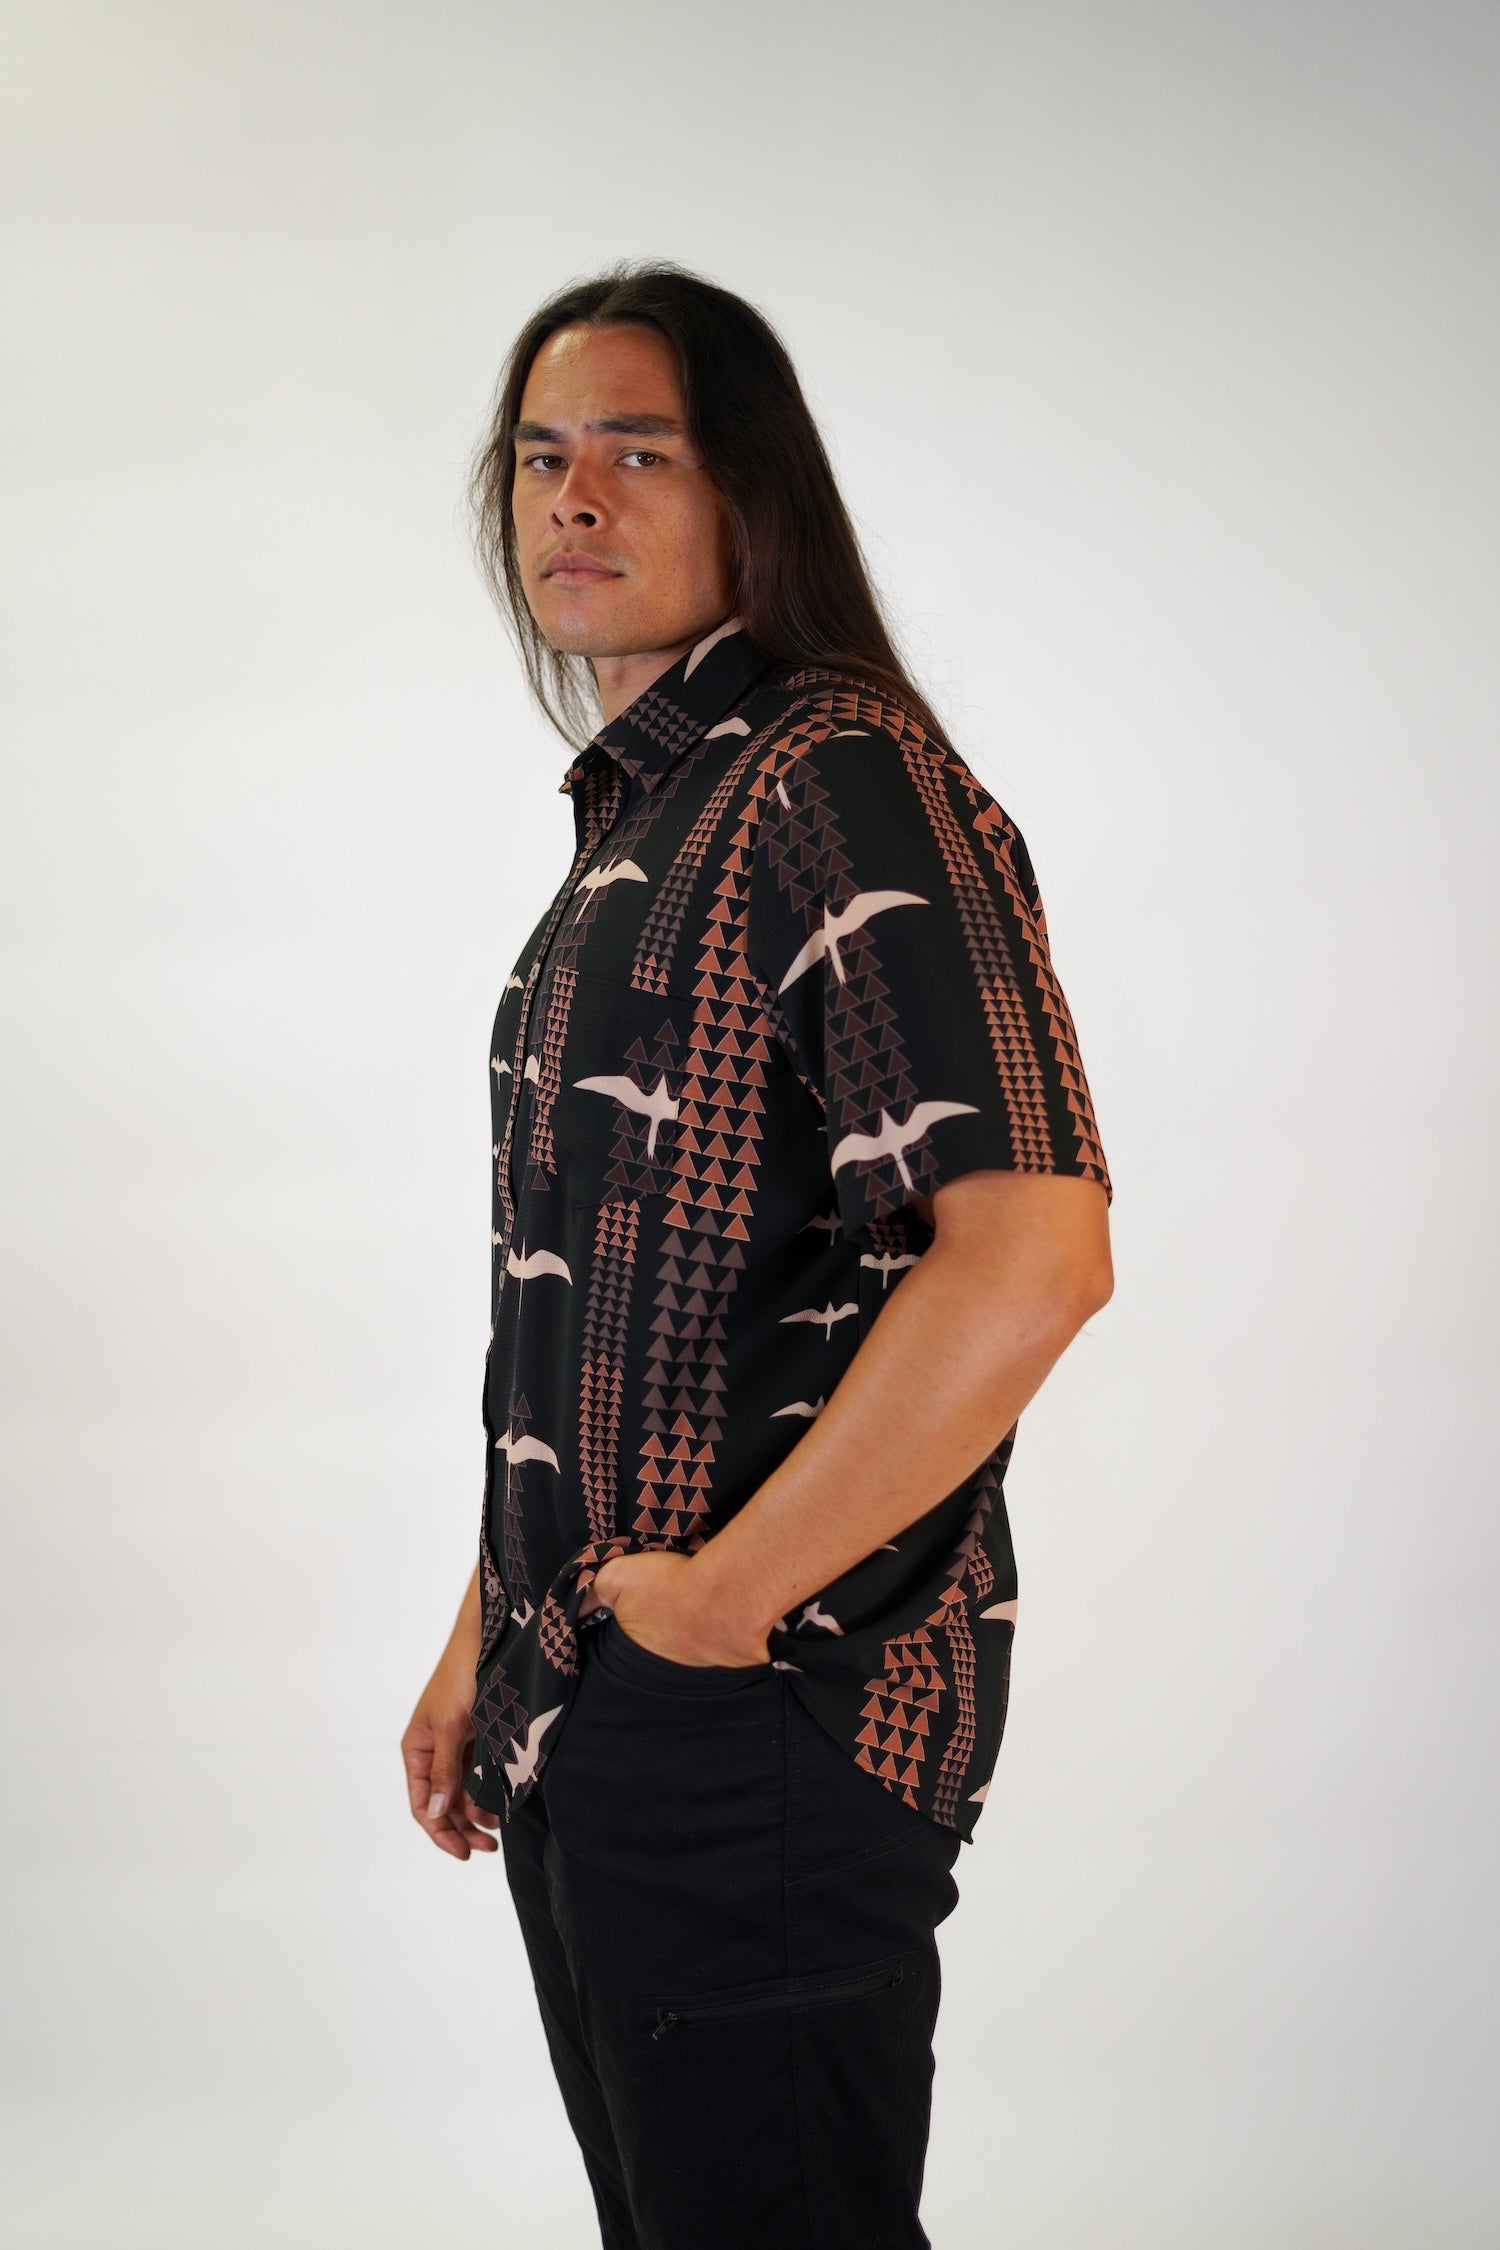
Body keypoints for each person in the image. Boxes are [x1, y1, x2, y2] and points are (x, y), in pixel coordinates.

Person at [401, 261, 1114, 2250]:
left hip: (771, 1710)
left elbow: (1033, 1249)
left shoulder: (830, 780)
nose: (574, 496)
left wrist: (723, 1605)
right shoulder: (654, 820)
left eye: (638, 451)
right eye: (541, 456)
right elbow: (617, 1305)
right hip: (604, 1699)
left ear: (753, 492)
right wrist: (487, 1634)